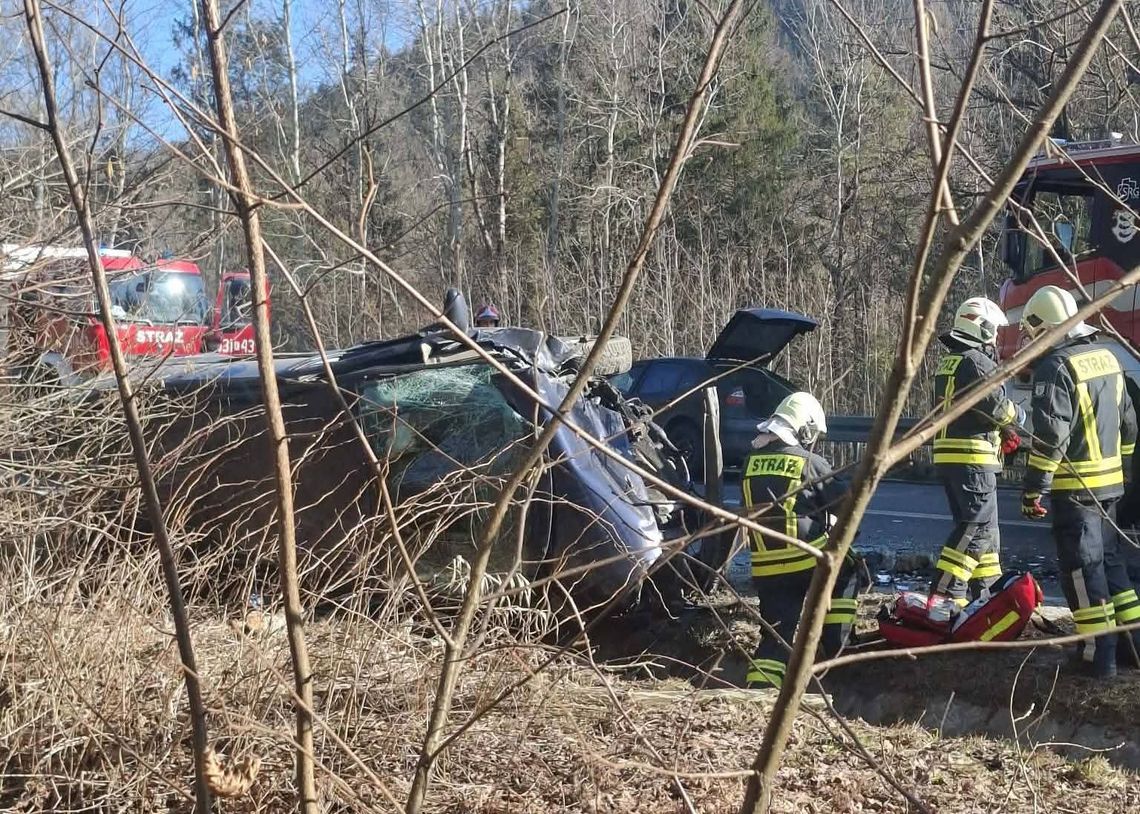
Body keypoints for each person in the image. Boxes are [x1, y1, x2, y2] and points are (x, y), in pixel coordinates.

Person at [1019, 285, 1138, 678]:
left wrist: (1035, 488)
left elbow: (1050, 438)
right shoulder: (1106, 356)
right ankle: (1132, 647)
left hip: (1077, 491)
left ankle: (1096, 656)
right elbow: (1130, 425)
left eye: (1032, 332)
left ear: (1046, 327)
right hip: (1111, 489)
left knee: (1083, 573)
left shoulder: (1056, 368)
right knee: (1112, 566)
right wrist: (1121, 473)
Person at [741, 391, 864, 690]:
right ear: (805, 429)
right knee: (850, 567)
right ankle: (837, 644)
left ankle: (760, 692)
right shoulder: (810, 463)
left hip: (766, 570)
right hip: (806, 559)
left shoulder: (750, 462)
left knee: (776, 634)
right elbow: (848, 508)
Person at [929, 297, 1025, 612]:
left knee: (987, 534)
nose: (996, 338)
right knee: (975, 528)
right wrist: (1017, 418)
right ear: (981, 327)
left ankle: (987, 596)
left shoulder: (951, 360)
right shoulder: (975, 360)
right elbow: (996, 407)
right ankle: (945, 595)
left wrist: (1001, 433)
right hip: (972, 458)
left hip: (954, 456)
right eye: (994, 331)